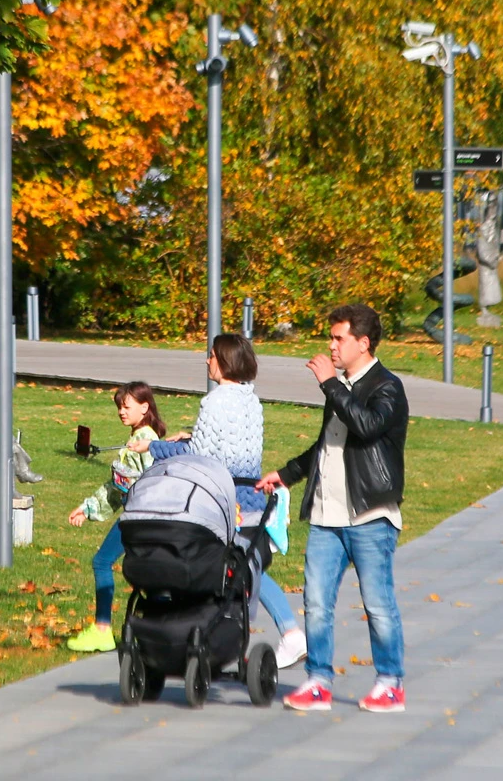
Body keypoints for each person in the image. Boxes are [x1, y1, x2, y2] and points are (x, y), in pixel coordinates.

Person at [258, 303, 410, 714]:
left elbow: (365, 426)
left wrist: (331, 385)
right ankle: (319, 682)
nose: (331, 345)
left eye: (339, 338)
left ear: (363, 343)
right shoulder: (340, 388)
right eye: (331, 337)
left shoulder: (387, 387)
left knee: (377, 604)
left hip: (369, 515)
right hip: (327, 516)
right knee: (317, 601)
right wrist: (286, 473)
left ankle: (391, 683)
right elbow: (328, 446)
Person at [147, 334, 307, 668]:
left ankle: (210, 633)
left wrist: (154, 448)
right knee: (249, 565)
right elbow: (224, 443)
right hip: (251, 496)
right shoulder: (251, 400)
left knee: (215, 569)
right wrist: (189, 434)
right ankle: (290, 632)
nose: (206, 362)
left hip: (221, 500)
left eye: (211, 356)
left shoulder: (214, 401)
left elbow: (200, 454)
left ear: (223, 360)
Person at [64, 383, 165, 653]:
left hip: (139, 518)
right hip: (142, 517)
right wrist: (87, 508)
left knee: (102, 562)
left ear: (144, 407)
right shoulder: (140, 438)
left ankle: (103, 630)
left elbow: (148, 484)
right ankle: (160, 626)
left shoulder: (145, 441)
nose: (121, 411)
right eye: (119, 406)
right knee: (146, 573)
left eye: (126, 406)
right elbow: (118, 487)